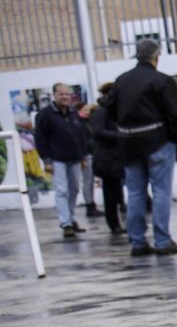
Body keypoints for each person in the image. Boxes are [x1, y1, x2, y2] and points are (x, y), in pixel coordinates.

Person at [106, 39, 177, 256]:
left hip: (129, 144)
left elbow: (110, 110)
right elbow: (175, 114)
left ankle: (138, 242)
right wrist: (174, 139)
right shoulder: (162, 81)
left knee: (135, 194)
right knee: (161, 192)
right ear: (156, 56)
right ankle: (162, 241)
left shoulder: (121, 81)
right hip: (158, 141)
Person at [32, 83, 90, 240]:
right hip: (57, 159)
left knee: (75, 189)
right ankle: (66, 224)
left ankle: (71, 218)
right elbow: (40, 139)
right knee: (62, 190)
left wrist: (83, 156)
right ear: (54, 95)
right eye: (61, 94)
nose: (65, 97)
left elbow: (82, 136)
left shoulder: (74, 113)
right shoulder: (45, 115)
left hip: (75, 158)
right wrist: (46, 160)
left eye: (67, 94)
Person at [86, 83, 125, 236]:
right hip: (107, 159)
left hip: (116, 157)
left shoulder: (113, 111)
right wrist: (120, 136)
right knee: (111, 194)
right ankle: (114, 224)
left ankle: (117, 222)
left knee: (116, 192)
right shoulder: (102, 111)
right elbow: (97, 131)